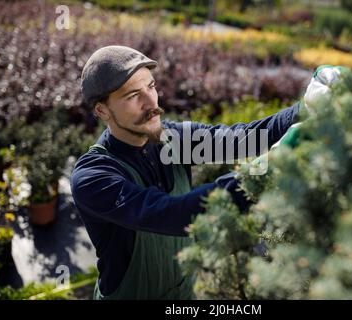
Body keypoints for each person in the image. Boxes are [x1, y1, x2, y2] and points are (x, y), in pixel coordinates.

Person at [71, 45, 301, 299]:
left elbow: (244, 139)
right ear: (102, 111)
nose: (151, 102)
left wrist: (304, 109)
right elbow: (173, 213)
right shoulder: (94, 177)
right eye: (132, 95)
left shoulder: (173, 139)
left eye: (151, 86)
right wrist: (260, 174)